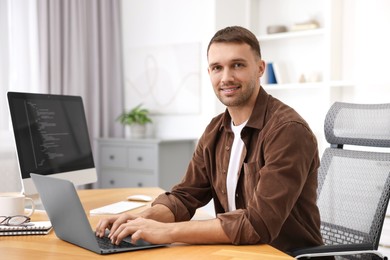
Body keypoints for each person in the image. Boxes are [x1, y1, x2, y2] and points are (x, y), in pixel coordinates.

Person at [95, 26, 324, 255]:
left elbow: (258, 224)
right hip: (239, 253)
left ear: (260, 69)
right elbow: (185, 197)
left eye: (238, 65)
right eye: (217, 68)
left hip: (283, 255)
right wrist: (139, 220)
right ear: (209, 73)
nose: (226, 78)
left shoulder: (287, 131)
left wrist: (167, 231)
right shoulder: (215, 130)